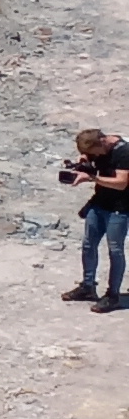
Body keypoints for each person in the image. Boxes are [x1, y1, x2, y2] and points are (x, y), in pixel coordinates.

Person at [64, 129, 129, 309]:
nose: (96, 156)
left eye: (95, 152)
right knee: (88, 245)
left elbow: (122, 183)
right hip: (99, 203)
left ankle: (113, 295)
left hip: (119, 208)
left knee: (115, 250)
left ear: (102, 142)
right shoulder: (99, 147)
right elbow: (89, 155)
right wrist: (84, 159)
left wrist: (92, 178)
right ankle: (88, 286)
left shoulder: (124, 152)